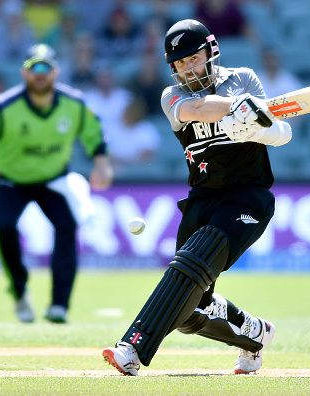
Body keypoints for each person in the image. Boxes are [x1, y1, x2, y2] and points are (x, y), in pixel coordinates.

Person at [102, 19, 291, 376]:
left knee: (191, 261)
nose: (189, 67)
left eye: (194, 57)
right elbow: (197, 111)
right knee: (188, 311)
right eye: (180, 63)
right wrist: (235, 108)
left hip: (248, 198)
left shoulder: (245, 78)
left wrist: (257, 126)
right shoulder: (172, 96)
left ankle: (132, 348)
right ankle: (254, 334)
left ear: (210, 51)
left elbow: (282, 132)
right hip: (202, 198)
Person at [0, 44, 113, 324]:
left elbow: (94, 134)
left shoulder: (75, 104)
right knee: (5, 228)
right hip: (11, 180)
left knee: (67, 227)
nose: (40, 75)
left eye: (45, 68)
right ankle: (20, 290)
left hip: (53, 180)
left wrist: (101, 163)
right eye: (34, 69)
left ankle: (59, 304)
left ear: (56, 72)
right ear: (24, 73)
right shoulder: (4, 106)